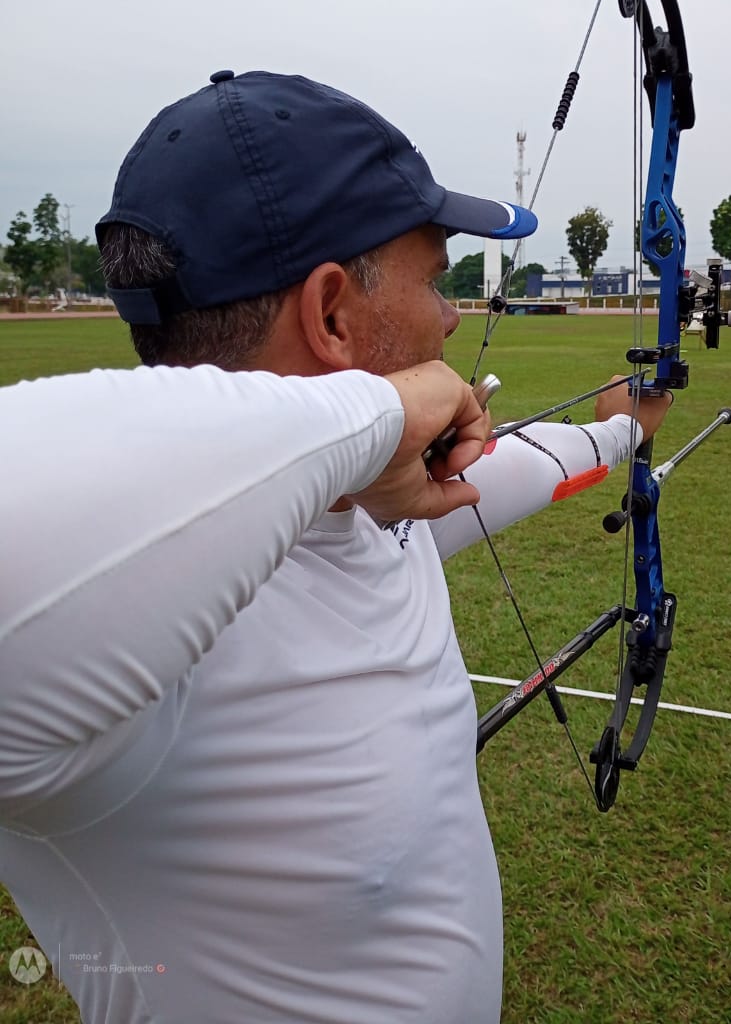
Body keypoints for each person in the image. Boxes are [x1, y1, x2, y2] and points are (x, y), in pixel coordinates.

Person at [0, 70, 671, 1023]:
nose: (450, 318)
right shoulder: (133, 666)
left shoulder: (377, 510)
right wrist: (375, 412)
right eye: (434, 278)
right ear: (330, 316)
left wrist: (619, 433)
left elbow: (520, 467)